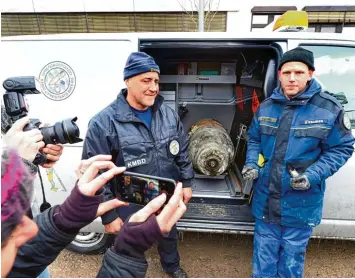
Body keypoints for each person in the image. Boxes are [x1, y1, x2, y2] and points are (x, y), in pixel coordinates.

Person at [242, 47, 355, 278]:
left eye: (299, 72)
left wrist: (312, 175)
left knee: (291, 265)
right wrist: (252, 163)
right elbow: (254, 138)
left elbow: (342, 147)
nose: (292, 78)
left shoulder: (328, 109)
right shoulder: (266, 107)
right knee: (263, 262)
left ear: (310, 74)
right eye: (287, 72)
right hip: (266, 201)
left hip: (300, 203)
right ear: (280, 74)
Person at [82, 52, 194, 277]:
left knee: (169, 233)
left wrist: (187, 180)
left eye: (156, 81)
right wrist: (109, 216)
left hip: (164, 194)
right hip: (128, 204)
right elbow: (95, 175)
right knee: (128, 248)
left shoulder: (167, 115)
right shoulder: (103, 123)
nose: (154, 88)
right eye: (146, 80)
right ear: (128, 81)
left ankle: (171, 267)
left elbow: (181, 149)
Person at [2, 148, 187, 278]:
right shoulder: (104, 119)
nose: (28, 226)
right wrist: (128, 250)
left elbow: (18, 264)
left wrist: (65, 218)